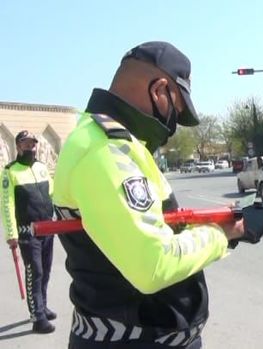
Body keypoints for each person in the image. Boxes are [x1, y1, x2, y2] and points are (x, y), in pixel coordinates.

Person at [53, 41, 245, 349]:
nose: (172, 127)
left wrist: (205, 223)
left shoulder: (122, 145)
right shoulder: (104, 150)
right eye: (176, 112)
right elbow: (152, 265)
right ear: (159, 91)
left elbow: (150, 227)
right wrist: (220, 235)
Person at [1, 130, 57, 334]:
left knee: (46, 271)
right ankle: (37, 318)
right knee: (35, 272)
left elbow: (53, 193)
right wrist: (11, 234)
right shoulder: (9, 172)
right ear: (18, 146)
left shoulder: (42, 168)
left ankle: (42, 306)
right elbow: (6, 204)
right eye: (26, 143)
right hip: (27, 231)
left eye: (33, 143)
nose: (31, 146)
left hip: (48, 228)